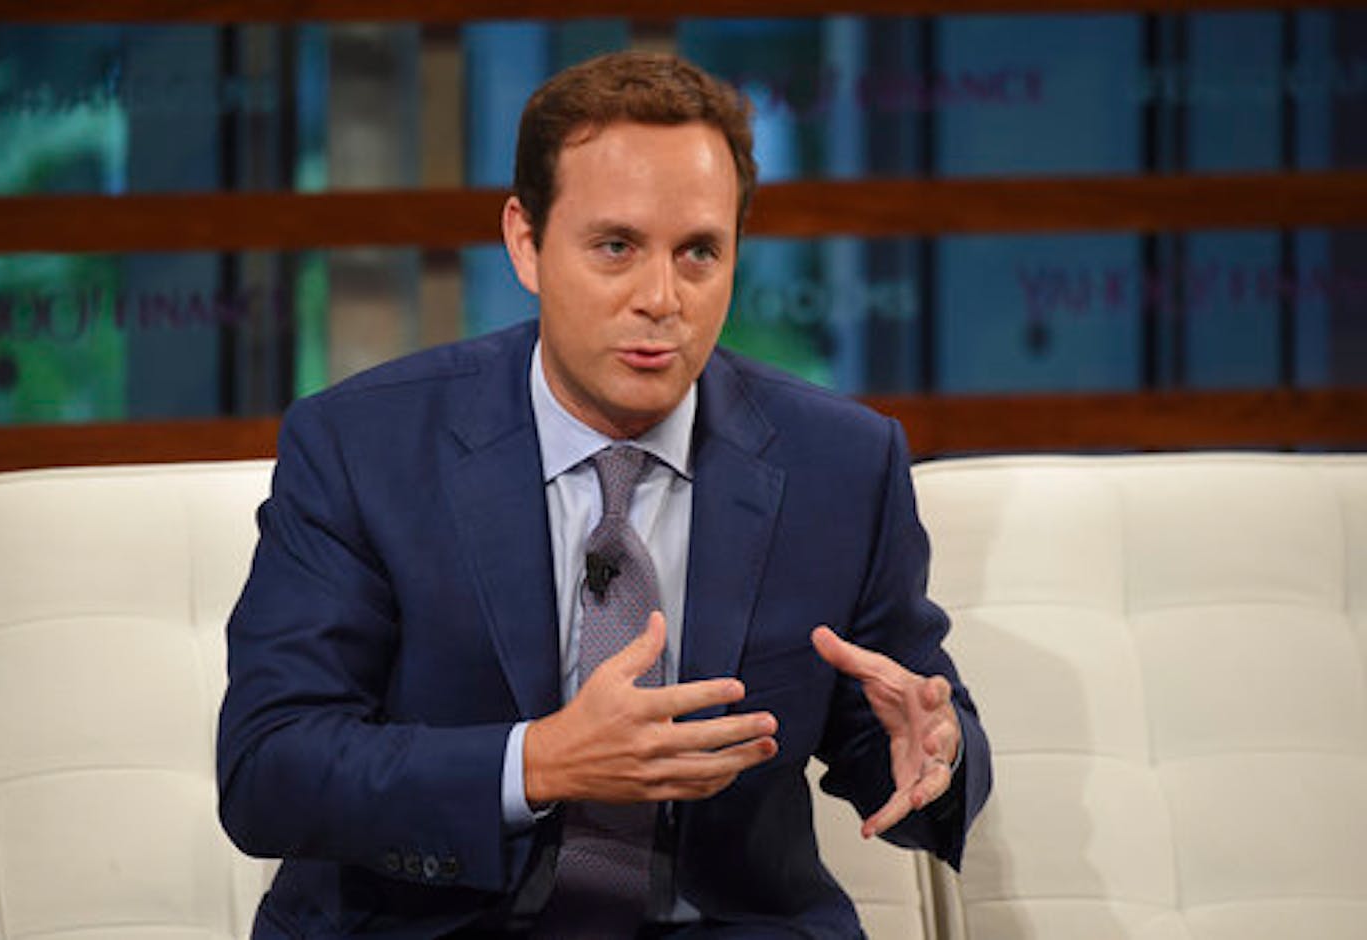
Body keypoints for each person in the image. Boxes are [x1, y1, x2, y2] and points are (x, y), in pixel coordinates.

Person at [218, 51, 990, 939]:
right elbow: (268, 768)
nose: (662, 298)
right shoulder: (362, 448)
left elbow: (903, 723)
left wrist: (937, 752)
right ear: (525, 242)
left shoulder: (841, 464)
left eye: (699, 252)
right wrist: (537, 762)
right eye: (616, 247)